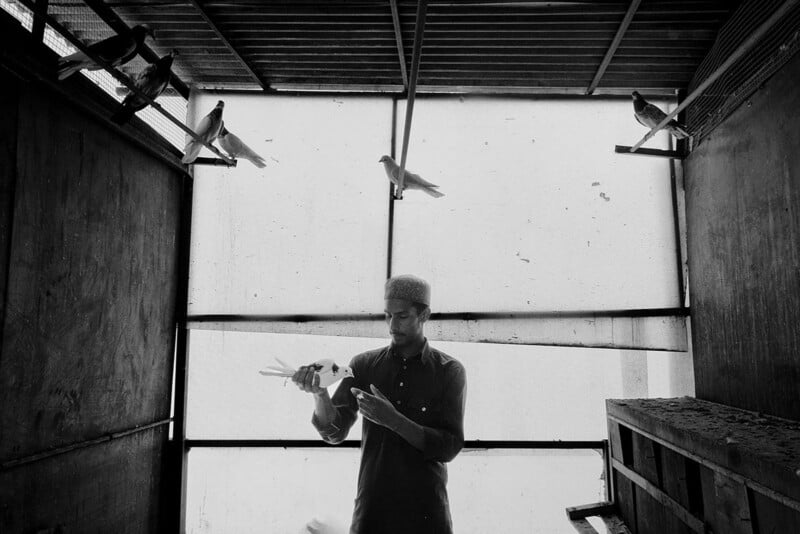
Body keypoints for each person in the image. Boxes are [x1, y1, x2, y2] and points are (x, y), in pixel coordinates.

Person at [292, 274, 467, 534]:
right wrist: (320, 394)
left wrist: (393, 420)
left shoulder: (449, 371)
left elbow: (449, 447)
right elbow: (335, 432)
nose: (392, 324)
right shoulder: (364, 365)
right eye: (388, 315)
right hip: (372, 514)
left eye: (402, 316)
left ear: (424, 315)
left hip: (427, 515)